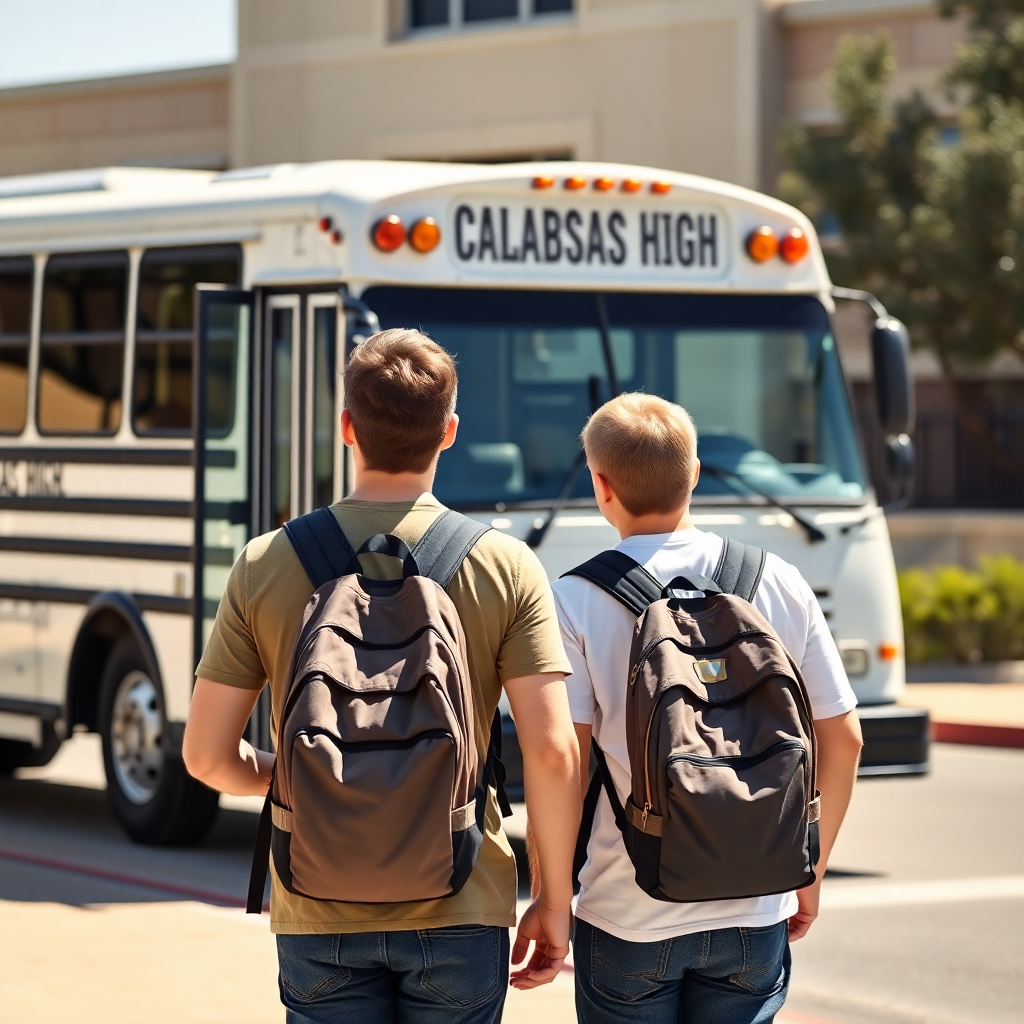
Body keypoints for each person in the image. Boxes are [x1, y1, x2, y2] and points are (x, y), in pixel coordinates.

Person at [183, 328, 581, 1024]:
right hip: (462, 899)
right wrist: (551, 902)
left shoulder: (265, 563)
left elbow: (205, 756)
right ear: (449, 432)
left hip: (318, 902)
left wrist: (297, 774)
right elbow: (551, 752)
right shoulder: (506, 565)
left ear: (346, 428)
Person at [550, 393, 863, 1024]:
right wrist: (810, 867)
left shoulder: (575, 599)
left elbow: (567, 763)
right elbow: (845, 737)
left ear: (599, 486)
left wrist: (554, 900)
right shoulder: (777, 578)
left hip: (628, 907)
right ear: (694, 473)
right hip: (756, 910)